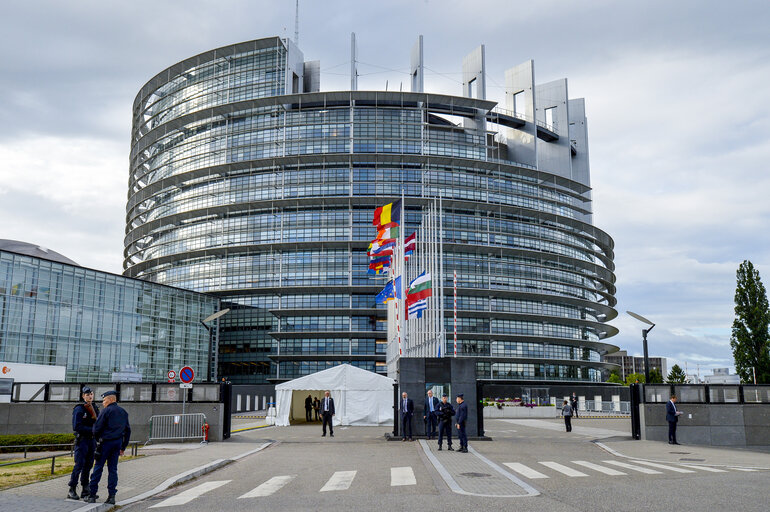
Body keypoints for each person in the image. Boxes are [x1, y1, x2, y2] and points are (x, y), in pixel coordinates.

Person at [87, 391, 131, 505]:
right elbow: (128, 431)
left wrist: (97, 440)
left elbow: (97, 429)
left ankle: (92, 495)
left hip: (105, 443)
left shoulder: (105, 411)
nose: (103, 403)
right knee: (113, 470)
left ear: (111, 400)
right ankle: (111, 496)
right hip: (117, 444)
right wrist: (123, 447)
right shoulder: (123, 412)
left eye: (104, 400)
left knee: (98, 468)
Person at [67, 386, 99, 500]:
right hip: (82, 441)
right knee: (79, 465)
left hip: (92, 441)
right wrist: (92, 430)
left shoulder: (95, 407)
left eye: (91, 394)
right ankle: (72, 488)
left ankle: (85, 489)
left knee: (89, 465)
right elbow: (77, 426)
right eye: (87, 394)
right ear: (83, 396)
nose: (89, 396)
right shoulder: (79, 409)